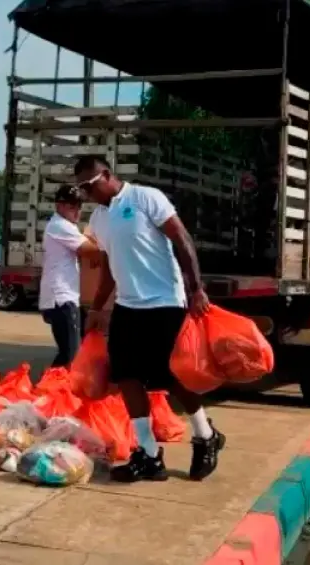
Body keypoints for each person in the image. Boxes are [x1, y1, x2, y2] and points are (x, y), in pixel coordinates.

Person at [77, 155, 225, 483]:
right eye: (81, 189)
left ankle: (206, 434)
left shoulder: (145, 198)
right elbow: (109, 267)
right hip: (128, 307)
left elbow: (182, 239)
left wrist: (196, 289)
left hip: (165, 303)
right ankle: (148, 454)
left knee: (174, 377)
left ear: (106, 175)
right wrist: (97, 308)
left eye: (89, 186)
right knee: (127, 378)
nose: (86, 194)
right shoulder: (98, 219)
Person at [39, 184, 99, 367]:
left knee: (72, 351)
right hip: (61, 299)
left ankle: (55, 383)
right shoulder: (60, 226)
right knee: (70, 356)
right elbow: (90, 250)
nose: (77, 212)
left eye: (79, 206)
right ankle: (52, 384)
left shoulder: (64, 226)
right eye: (72, 207)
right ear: (59, 206)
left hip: (64, 297)